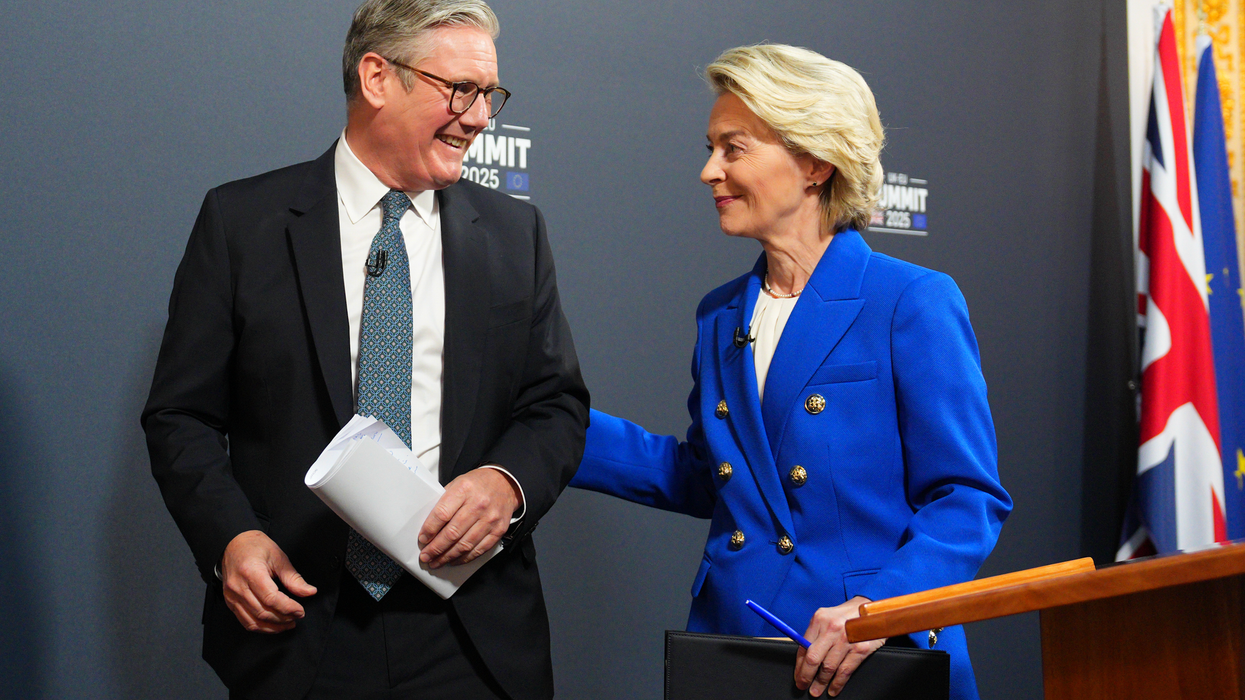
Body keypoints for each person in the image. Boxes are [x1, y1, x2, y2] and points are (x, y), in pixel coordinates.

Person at [141, 1, 589, 699]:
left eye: (489, 95)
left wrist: (507, 483)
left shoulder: (514, 234)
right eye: (459, 90)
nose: (478, 117)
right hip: (300, 626)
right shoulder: (242, 224)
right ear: (378, 76)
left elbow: (554, 404)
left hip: (472, 635)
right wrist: (230, 538)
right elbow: (181, 417)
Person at [570, 44, 1011, 700]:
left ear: (812, 161)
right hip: (734, 649)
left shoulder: (909, 300)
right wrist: (551, 425)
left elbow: (967, 499)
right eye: (711, 147)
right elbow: (709, 476)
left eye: (733, 147)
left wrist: (876, 610)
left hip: (866, 658)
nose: (707, 171)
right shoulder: (720, 315)